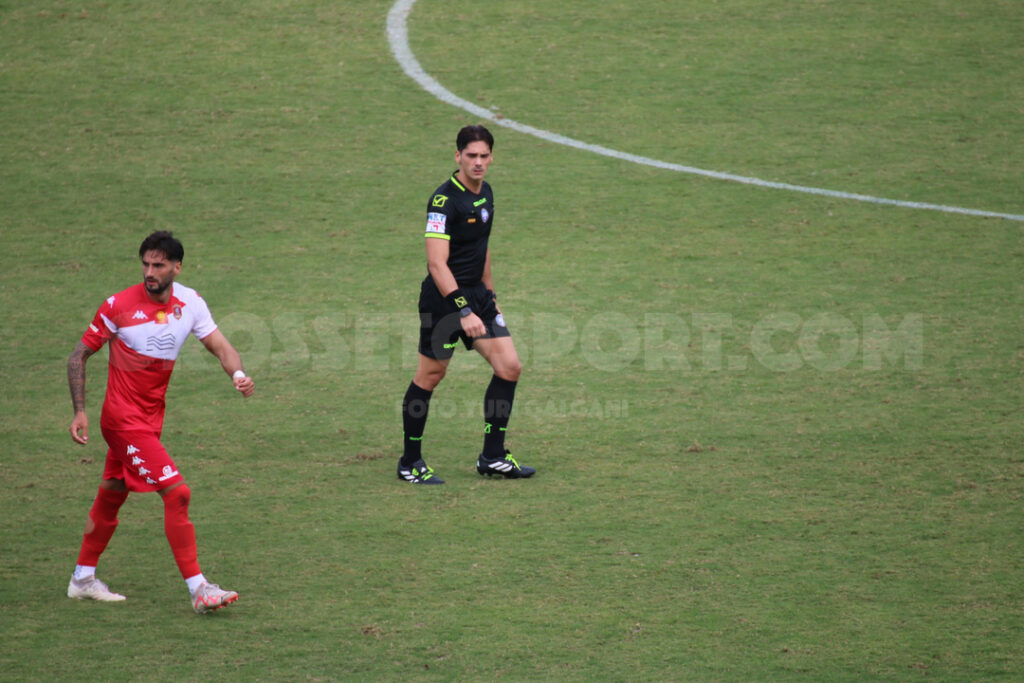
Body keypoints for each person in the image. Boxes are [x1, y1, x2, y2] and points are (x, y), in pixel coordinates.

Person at [66, 231, 255, 613]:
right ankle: (199, 589)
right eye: (146, 264)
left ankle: (82, 579)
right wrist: (80, 411)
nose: (149, 272)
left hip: (150, 419)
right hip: (122, 421)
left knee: (112, 493)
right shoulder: (118, 306)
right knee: (177, 493)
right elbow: (77, 357)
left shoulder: (191, 302)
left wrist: (238, 375)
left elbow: (221, 346)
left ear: (176, 267)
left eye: (159, 265)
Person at [397, 124, 535, 484]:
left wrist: (492, 298)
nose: (478, 162)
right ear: (457, 156)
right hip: (445, 301)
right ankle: (410, 462)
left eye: (484, 156)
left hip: (478, 296)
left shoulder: (486, 192)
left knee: (510, 367)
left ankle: (493, 456)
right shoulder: (443, 202)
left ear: (492, 158)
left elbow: (481, 248)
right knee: (431, 375)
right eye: (471, 155)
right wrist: (464, 310)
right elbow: (436, 264)